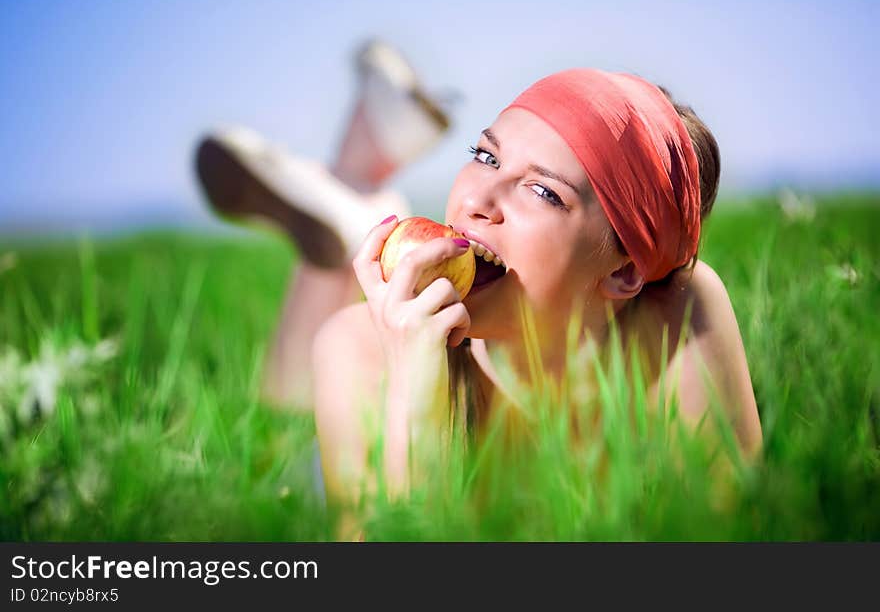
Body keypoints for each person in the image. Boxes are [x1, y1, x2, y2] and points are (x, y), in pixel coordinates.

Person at [195, 40, 762, 540]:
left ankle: (353, 194)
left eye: (542, 192)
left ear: (623, 272)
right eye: (485, 157)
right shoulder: (364, 347)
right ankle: (352, 198)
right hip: (322, 492)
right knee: (269, 448)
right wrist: (417, 387)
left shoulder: (676, 318)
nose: (477, 201)